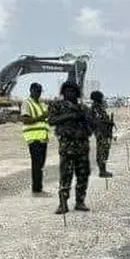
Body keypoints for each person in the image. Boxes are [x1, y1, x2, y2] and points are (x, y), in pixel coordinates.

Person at [48, 81, 92, 214]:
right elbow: (51, 121)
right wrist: (70, 116)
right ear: (63, 92)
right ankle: (63, 203)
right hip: (67, 146)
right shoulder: (57, 106)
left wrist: (86, 126)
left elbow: (91, 126)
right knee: (66, 175)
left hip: (82, 146)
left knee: (83, 175)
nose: (70, 94)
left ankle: (80, 202)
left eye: (73, 91)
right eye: (67, 91)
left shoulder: (83, 108)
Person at [21, 82, 50, 196]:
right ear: (31, 90)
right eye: (37, 91)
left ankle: (38, 187)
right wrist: (42, 117)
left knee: (41, 164)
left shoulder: (41, 104)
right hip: (33, 138)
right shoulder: (26, 103)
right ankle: (37, 189)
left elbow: (45, 120)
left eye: (40, 92)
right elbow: (25, 120)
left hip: (42, 138)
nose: (38, 94)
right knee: (37, 164)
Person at [89, 90, 115, 178]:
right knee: (102, 151)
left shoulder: (99, 107)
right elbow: (98, 121)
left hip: (104, 132)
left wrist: (109, 123)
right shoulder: (95, 108)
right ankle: (102, 171)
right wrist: (108, 122)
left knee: (105, 150)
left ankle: (103, 170)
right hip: (101, 132)